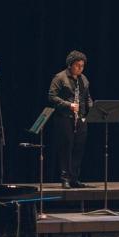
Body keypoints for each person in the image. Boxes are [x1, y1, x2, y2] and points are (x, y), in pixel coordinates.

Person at [48, 50, 93, 189]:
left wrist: (91, 108)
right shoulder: (60, 77)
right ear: (70, 65)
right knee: (66, 148)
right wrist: (69, 105)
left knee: (78, 148)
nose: (80, 68)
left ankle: (74, 178)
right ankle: (65, 178)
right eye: (77, 65)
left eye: (82, 65)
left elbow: (87, 97)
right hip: (64, 118)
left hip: (80, 118)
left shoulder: (83, 79)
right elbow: (52, 96)